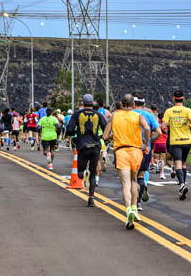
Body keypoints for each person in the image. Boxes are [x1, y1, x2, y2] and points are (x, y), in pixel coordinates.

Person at [103, 93, 151, 229]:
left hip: (121, 151)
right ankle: (135, 208)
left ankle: (128, 209)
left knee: (125, 184)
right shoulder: (138, 116)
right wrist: (146, 144)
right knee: (133, 181)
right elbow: (147, 128)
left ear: (121, 104)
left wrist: (114, 135)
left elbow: (105, 136)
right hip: (136, 151)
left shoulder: (114, 116)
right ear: (134, 105)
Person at [66, 94, 107, 207]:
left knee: (79, 173)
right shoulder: (98, 115)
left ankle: (84, 173)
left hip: (83, 146)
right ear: (92, 102)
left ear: (82, 103)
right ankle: (91, 198)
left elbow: (69, 129)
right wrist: (101, 138)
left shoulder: (77, 114)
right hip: (95, 146)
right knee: (93, 174)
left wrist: (75, 134)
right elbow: (106, 129)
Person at [162, 90, 191, 200]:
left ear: (173, 99)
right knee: (184, 164)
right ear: (183, 98)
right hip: (187, 141)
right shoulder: (187, 110)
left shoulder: (169, 111)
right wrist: (190, 127)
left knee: (177, 164)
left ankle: (182, 185)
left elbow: (163, 127)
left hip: (175, 141)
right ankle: (184, 184)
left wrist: (166, 130)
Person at [133, 93, 161, 207]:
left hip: (132, 149)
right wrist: (149, 142)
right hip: (145, 149)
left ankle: (134, 201)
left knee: (131, 177)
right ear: (144, 104)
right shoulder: (149, 115)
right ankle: (139, 202)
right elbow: (159, 132)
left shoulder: (129, 114)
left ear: (133, 103)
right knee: (141, 175)